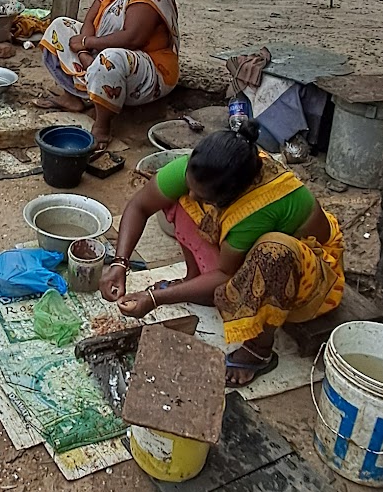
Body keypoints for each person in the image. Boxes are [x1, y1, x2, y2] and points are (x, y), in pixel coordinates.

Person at [101, 122, 344, 387]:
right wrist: (119, 264)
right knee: (182, 200)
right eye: (190, 184)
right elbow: (139, 205)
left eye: (205, 196)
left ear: (231, 196)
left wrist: (154, 299)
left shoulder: (257, 208)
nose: (192, 193)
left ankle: (259, 349)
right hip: (243, 243)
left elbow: (225, 273)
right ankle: (195, 282)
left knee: (273, 251)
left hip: (309, 277)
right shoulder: (206, 169)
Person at [36, 0, 179, 148]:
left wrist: (86, 44)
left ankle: (102, 126)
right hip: (100, 53)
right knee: (59, 26)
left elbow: (133, 38)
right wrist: (85, 51)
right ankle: (73, 97)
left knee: (109, 60)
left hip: (148, 69)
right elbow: (90, 18)